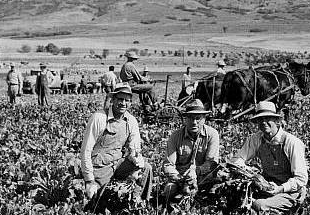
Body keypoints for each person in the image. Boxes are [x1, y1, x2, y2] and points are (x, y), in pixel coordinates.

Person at [80, 83, 153, 212]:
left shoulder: (131, 121)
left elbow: (135, 149)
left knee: (146, 168)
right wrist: (89, 180)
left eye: (127, 100)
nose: (123, 103)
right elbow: (86, 151)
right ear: (113, 100)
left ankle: (137, 204)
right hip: (99, 168)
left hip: (118, 165)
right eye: (120, 99)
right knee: (90, 199)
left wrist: (137, 163)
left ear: (130, 103)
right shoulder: (99, 118)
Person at [230, 101, 308, 214]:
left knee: (258, 205)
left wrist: (280, 188)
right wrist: (251, 174)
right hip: (267, 187)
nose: (263, 122)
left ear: (277, 121)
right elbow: (237, 160)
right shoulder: (255, 139)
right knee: (234, 198)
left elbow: (301, 179)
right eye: (260, 119)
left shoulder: (291, 142)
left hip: (289, 192)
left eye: (267, 118)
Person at [163, 99, 219, 203]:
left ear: (204, 119)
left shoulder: (212, 135)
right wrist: (182, 179)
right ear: (185, 119)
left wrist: (196, 171)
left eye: (198, 118)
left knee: (214, 194)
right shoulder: (175, 136)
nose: (194, 122)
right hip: (179, 179)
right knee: (169, 191)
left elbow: (211, 163)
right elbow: (168, 165)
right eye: (190, 118)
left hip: (203, 178)